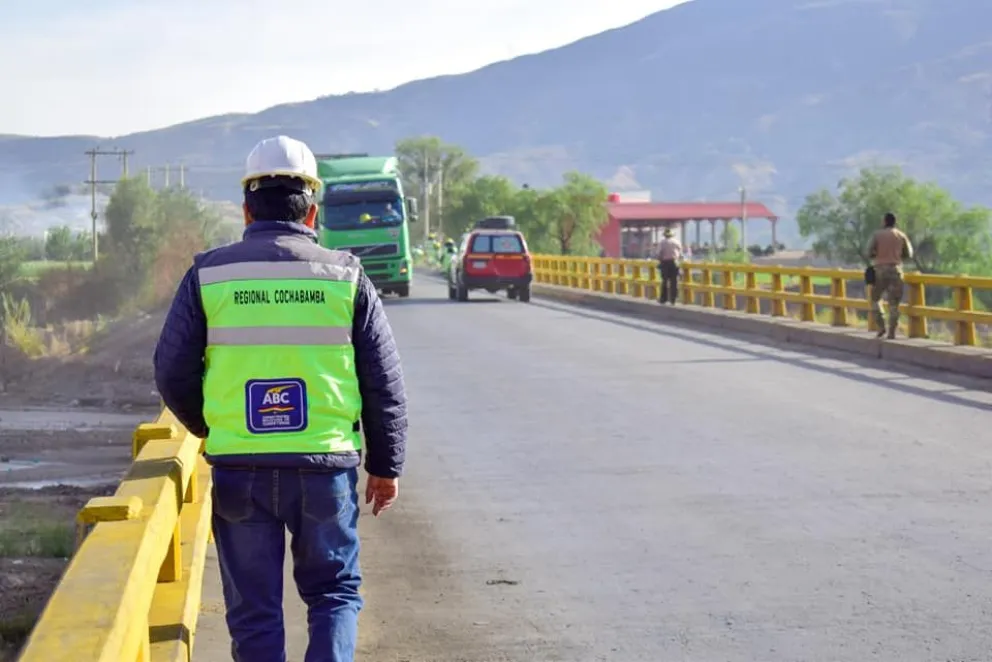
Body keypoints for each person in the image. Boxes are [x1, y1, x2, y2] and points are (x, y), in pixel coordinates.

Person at [152, 135, 408, 662]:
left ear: (246, 209)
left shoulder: (209, 275)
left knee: (254, 612)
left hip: (240, 468)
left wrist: (212, 426)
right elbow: (383, 380)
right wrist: (385, 466)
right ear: (312, 211)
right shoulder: (345, 276)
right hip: (324, 468)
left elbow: (171, 371)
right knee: (334, 595)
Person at [866, 211, 914, 339]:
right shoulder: (901, 235)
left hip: (880, 270)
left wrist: (877, 255)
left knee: (875, 299)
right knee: (894, 303)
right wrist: (898, 256)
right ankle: (892, 331)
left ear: (884, 221)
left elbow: (868, 252)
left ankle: (881, 326)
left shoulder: (877, 235)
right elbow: (909, 253)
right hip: (896, 270)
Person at [656, 227, 683, 304]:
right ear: (672, 235)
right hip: (674, 263)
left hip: (665, 263)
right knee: (674, 282)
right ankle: (673, 299)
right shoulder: (676, 242)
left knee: (664, 281)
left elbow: (658, 254)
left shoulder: (662, 242)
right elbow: (681, 254)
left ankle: (663, 299)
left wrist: (660, 260)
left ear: (665, 235)